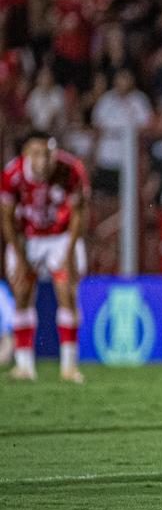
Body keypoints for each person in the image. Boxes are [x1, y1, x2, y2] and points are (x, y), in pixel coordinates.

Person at [0, 132, 89, 382]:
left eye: (49, 153)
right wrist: (19, 257)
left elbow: (79, 214)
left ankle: (69, 367)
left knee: (67, 293)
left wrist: (69, 253)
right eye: (38, 154)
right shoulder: (12, 174)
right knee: (22, 294)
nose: (45, 160)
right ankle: (24, 366)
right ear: (26, 155)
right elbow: (6, 218)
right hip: (27, 237)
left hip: (61, 236)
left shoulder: (70, 169)